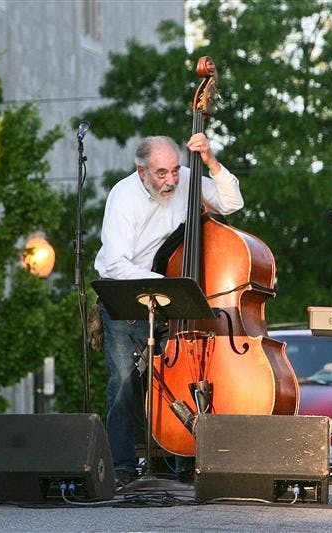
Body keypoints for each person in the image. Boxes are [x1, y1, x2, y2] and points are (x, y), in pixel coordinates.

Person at [94, 133, 244, 486]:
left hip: (172, 293)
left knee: (178, 383)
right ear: (142, 171)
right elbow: (115, 264)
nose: (172, 181)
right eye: (162, 173)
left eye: (175, 170)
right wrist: (170, 283)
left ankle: (181, 463)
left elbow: (231, 202)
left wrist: (209, 160)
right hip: (127, 294)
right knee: (124, 384)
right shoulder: (123, 196)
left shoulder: (188, 180)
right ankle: (123, 468)